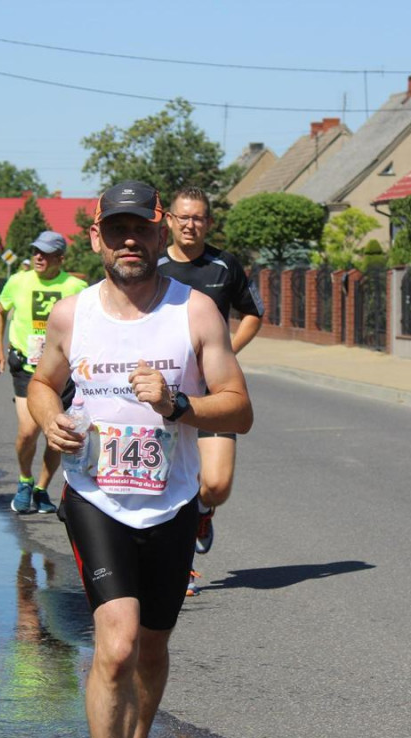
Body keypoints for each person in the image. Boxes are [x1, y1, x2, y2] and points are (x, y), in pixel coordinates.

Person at [27, 180, 253, 738]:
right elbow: (42, 383)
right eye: (116, 230)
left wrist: (179, 404)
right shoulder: (71, 314)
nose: (129, 241)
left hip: (172, 503)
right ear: (96, 237)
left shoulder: (195, 311)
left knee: (151, 646)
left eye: (140, 230)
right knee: (118, 643)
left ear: (159, 233)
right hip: (95, 498)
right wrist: (50, 419)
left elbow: (239, 409)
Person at [157, 186, 264, 595]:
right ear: (169, 220)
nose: (190, 225)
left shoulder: (224, 264)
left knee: (216, 484)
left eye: (198, 218)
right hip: (164, 391)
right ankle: (179, 566)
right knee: (168, 480)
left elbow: (252, 313)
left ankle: (202, 512)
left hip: (213, 391)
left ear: (209, 222)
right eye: (183, 217)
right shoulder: (155, 264)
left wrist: (227, 352)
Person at [0, 231, 87, 515]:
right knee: (28, 431)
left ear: (60, 258)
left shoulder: (76, 287)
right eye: (35, 252)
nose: (38, 257)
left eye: (45, 253)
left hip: (62, 372)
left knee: (56, 431)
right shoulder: (18, 281)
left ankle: (42, 488)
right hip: (26, 368)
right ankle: (24, 480)